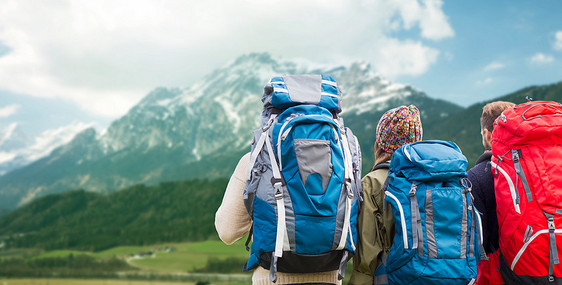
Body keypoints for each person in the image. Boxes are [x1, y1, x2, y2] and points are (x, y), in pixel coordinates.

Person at [215, 152, 341, 284]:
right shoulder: (341, 156)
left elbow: (228, 231)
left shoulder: (257, 158)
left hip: (272, 277)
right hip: (331, 276)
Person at [349, 105, 423, 285]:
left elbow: (367, 253)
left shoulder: (373, 182)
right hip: (430, 273)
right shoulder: (433, 179)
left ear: (380, 144)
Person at [467, 101, 514, 285]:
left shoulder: (474, 178)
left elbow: (478, 245)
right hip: (544, 267)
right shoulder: (538, 171)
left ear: (487, 135)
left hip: (497, 276)